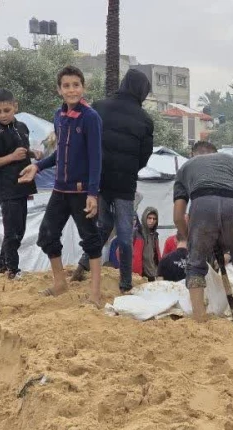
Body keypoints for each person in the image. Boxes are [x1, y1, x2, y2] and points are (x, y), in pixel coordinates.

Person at [19, 65, 104, 306]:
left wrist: (93, 193)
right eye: (66, 86)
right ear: (59, 90)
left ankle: (95, 293)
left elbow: (96, 158)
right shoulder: (59, 116)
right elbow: (60, 154)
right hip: (60, 189)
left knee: (91, 240)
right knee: (47, 234)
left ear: (83, 87)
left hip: (80, 190)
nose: (71, 90)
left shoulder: (91, 118)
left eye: (76, 85)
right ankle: (60, 283)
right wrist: (38, 166)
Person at [69, 70, 154, 293]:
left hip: (99, 179)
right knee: (125, 234)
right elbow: (145, 155)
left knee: (104, 225)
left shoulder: (99, 106)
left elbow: (85, 138)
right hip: (125, 184)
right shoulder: (145, 120)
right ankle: (125, 283)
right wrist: (129, 168)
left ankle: (81, 266)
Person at [173, 140, 233, 332]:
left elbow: (178, 217)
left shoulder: (186, 167)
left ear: (193, 155)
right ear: (215, 153)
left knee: (195, 266)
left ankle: (199, 322)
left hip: (203, 203)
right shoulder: (232, 162)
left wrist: (192, 240)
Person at [0, 89, 39, 279]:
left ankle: (1, 265)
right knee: (12, 231)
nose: (3, 115)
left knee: (19, 230)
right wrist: (11, 157)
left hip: (23, 185)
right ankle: (11, 270)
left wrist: (33, 154)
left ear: (15, 107)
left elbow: (23, 150)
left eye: (6, 110)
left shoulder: (22, 127)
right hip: (7, 188)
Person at [135, 207, 162, 281]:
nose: (152, 221)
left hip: (152, 274)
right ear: (144, 218)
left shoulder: (155, 235)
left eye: (154, 219)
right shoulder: (137, 233)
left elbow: (157, 256)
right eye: (149, 218)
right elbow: (120, 251)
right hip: (138, 275)